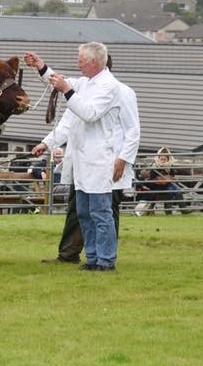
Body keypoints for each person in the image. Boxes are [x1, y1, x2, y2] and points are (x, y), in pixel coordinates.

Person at [24, 52, 140, 263]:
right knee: (80, 211)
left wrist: (123, 158)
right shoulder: (84, 87)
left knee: (105, 212)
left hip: (110, 162)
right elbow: (66, 117)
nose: (79, 66)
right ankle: (77, 254)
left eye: (82, 62)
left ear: (97, 64)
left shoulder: (122, 91)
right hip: (83, 161)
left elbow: (132, 130)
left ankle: (105, 258)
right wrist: (41, 65)